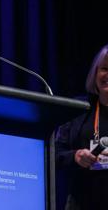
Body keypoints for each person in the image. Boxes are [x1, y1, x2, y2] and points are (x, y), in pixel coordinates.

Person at [55, 44, 108, 210]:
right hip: (81, 202)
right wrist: (76, 156)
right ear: (96, 72)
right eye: (105, 68)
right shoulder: (77, 109)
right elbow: (53, 153)